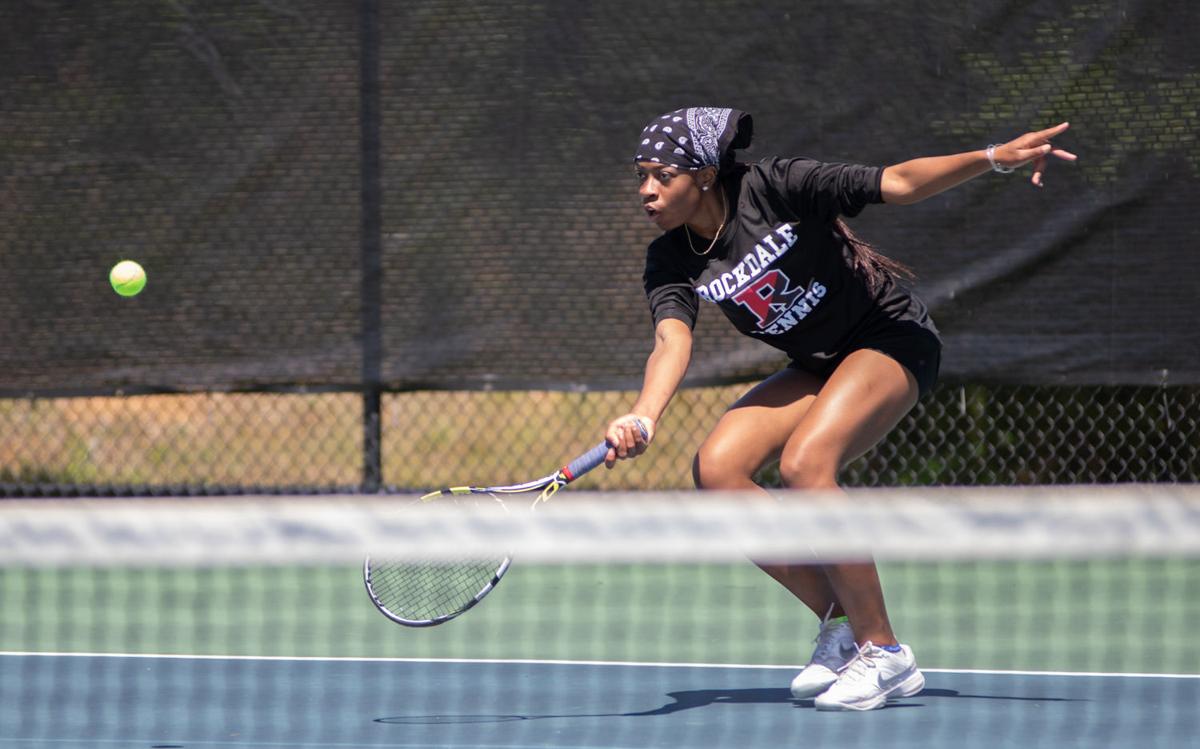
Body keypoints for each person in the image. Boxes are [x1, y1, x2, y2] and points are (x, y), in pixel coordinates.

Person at [604, 107, 1076, 712]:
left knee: (807, 465)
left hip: (890, 340)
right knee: (718, 468)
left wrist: (990, 158)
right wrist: (644, 415)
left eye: (661, 175)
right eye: (641, 175)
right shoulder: (671, 258)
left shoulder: (776, 185)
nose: (646, 190)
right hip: (819, 362)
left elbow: (899, 183)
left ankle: (885, 652)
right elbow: (673, 339)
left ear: (702, 174)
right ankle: (841, 620)